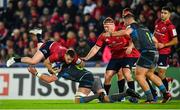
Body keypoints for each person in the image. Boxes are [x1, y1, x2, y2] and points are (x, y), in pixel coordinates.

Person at [103, 8, 171, 103]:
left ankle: (150, 99)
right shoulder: (143, 27)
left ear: (128, 19)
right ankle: (166, 94)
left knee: (139, 76)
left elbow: (126, 32)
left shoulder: (132, 26)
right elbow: (155, 40)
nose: (124, 22)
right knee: (150, 74)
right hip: (154, 52)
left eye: (124, 20)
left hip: (146, 52)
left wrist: (111, 34)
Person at [27, 58, 141, 103]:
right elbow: (52, 73)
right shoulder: (66, 65)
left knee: (77, 101)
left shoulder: (62, 70)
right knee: (106, 100)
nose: (53, 69)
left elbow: (50, 79)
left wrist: (36, 73)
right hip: (93, 77)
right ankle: (127, 92)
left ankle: (98, 96)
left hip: (86, 78)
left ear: (58, 66)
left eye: (54, 67)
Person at [82, 17, 138, 103]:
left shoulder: (122, 31)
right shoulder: (103, 36)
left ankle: (133, 97)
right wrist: (86, 57)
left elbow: (134, 39)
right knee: (107, 76)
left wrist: (130, 47)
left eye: (108, 27)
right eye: (104, 27)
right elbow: (96, 47)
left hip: (127, 55)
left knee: (125, 73)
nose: (106, 29)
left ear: (113, 25)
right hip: (115, 57)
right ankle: (105, 98)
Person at [6, 29, 84, 75]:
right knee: (34, 61)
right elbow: (46, 63)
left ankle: (39, 34)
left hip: (54, 47)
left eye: (71, 60)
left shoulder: (73, 57)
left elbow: (82, 63)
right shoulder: (57, 55)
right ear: (66, 55)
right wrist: (53, 71)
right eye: (68, 59)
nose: (69, 61)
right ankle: (14, 59)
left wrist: (80, 65)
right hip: (49, 46)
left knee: (39, 51)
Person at [153, 6, 178, 91]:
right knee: (147, 72)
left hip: (164, 52)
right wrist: (154, 42)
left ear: (169, 14)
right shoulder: (157, 22)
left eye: (165, 13)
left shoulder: (171, 26)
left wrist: (164, 45)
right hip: (155, 51)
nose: (162, 14)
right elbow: (154, 34)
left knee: (160, 73)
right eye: (162, 12)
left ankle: (166, 92)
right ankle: (167, 80)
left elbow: (175, 41)